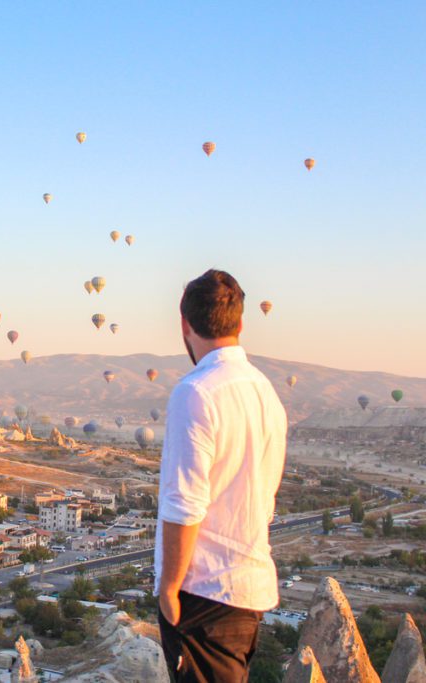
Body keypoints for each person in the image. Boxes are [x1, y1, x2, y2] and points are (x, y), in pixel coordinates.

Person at [156, 269, 288, 682]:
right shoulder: (266, 392)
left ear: (184, 324)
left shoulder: (195, 391)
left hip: (204, 593)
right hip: (248, 590)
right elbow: (264, 495)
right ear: (241, 323)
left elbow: (185, 504)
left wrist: (169, 589)